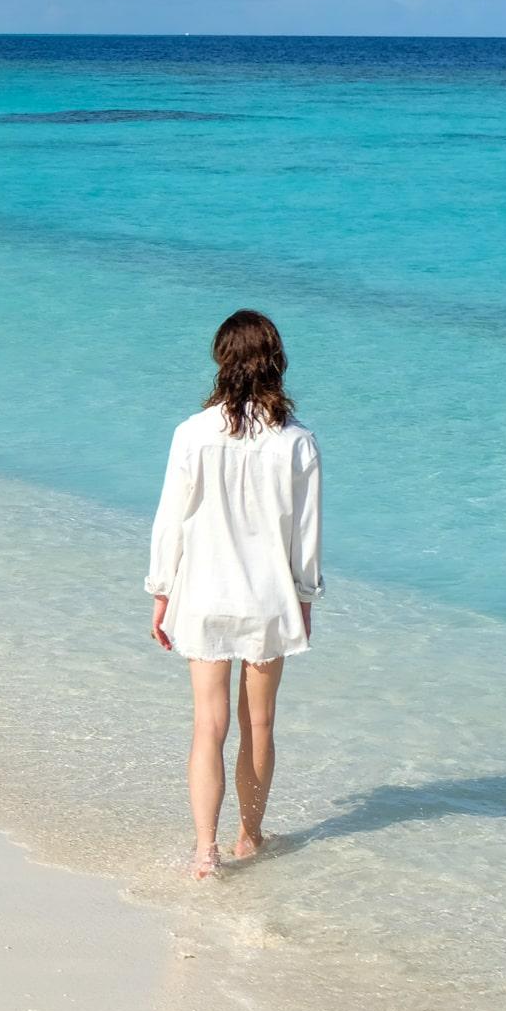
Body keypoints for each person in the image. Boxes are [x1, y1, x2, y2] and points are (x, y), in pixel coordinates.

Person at [145, 310, 323, 880]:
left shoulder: (192, 434)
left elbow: (170, 522)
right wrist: (305, 597)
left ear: (222, 360)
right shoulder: (297, 442)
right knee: (260, 726)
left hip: (203, 594)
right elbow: (307, 531)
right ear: (276, 363)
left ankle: (205, 851)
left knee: (208, 725)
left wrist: (161, 590)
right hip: (268, 599)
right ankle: (249, 836)